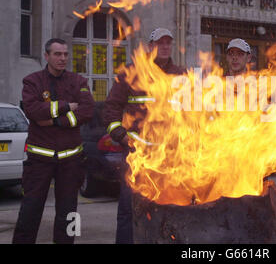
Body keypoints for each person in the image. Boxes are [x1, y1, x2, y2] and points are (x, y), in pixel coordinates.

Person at [103, 28, 185, 244]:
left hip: (169, 156)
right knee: (129, 208)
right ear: (150, 47)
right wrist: (119, 134)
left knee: (168, 207)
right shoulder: (132, 74)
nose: (165, 46)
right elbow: (111, 107)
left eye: (168, 42)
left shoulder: (181, 75)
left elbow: (190, 112)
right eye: (160, 43)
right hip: (136, 155)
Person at [13, 38, 95, 244]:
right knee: (30, 210)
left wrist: (55, 122)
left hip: (71, 160)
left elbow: (87, 111)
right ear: (46, 56)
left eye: (65, 54)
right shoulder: (32, 81)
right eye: (57, 54)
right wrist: (66, 106)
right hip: (39, 160)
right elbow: (33, 111)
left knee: (69, 213)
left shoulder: (78, 81)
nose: (62, 58)